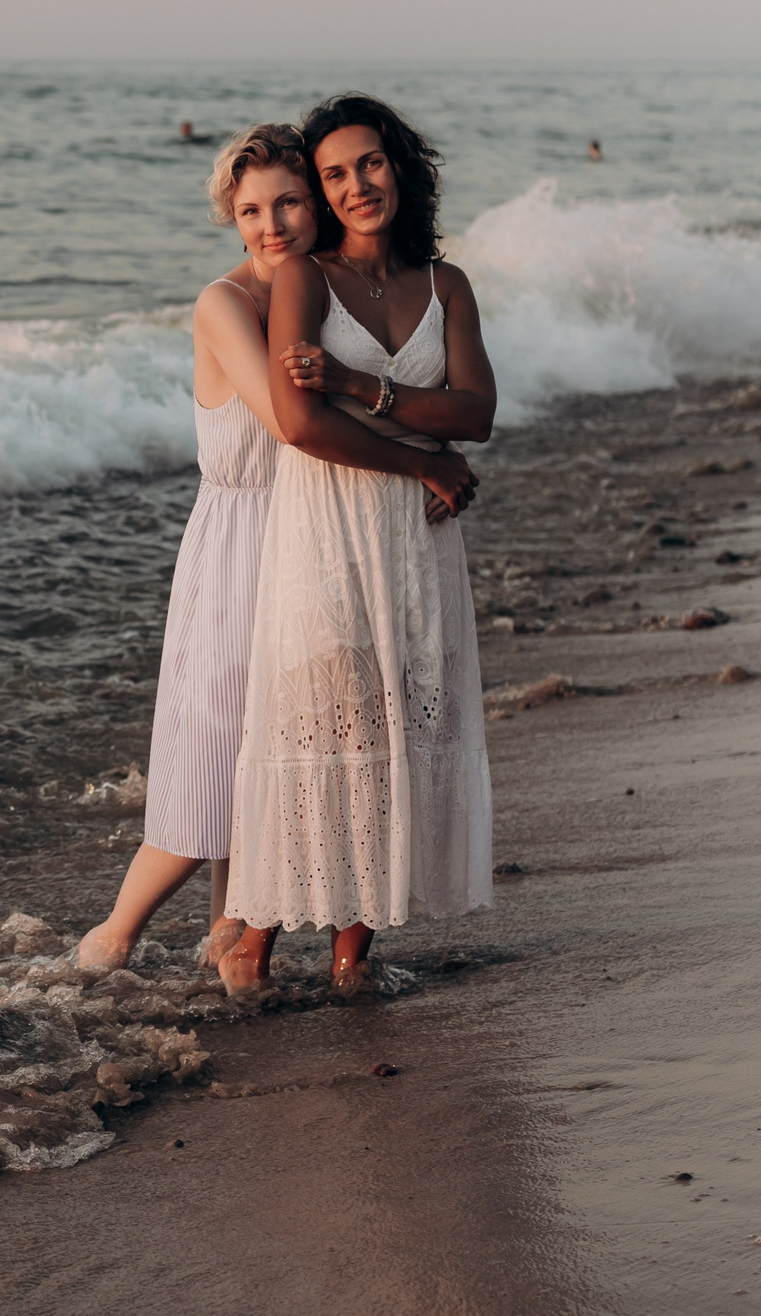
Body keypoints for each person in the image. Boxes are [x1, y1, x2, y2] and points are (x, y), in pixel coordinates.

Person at [73, 125, 447, 974]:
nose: (271, 223)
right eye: (250, 210)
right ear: (230, 219)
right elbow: (291, 420)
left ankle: (232, 959)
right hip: (242, 546)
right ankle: (101, 953)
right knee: (206, 787)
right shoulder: (225, 302)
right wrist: (425, 460)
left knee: (277, 775)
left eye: (286, 201)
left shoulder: (327, 298)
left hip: (314, 550)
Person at [219, 93, 496, 997]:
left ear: (400, 165)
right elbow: (299, 422)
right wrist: (422, 463)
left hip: (417, 551)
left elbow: (477, 412)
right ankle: (250, 952)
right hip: (327, 535)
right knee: (322, 727)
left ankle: (351, 960)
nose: (355, 185)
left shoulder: (444, 284)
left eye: (369, 164)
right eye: (333, 174)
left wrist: (359, 384)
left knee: (398, 734)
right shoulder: (305, 278)